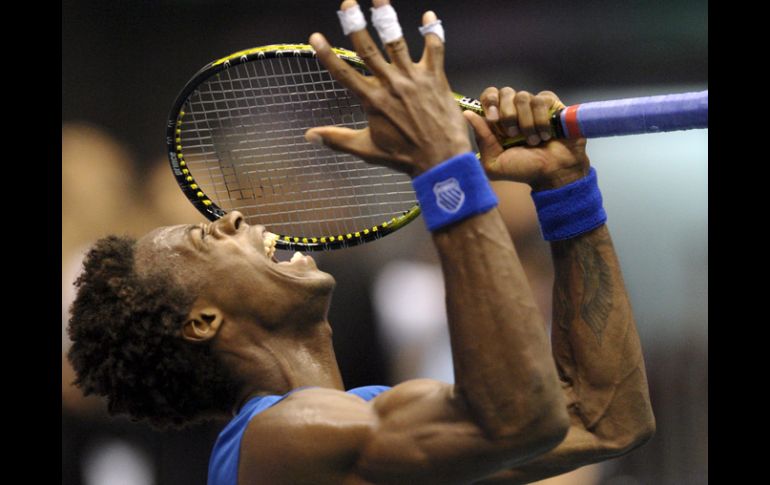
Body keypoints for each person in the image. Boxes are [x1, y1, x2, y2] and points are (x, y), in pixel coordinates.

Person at [66, 1, 655, 483]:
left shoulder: (370, 412)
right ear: (203, 320)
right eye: (205, 236)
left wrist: (565, 188)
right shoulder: (282, 438)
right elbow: (515, 423)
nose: (233, 219)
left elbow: (606, 420)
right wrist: (441, 163)